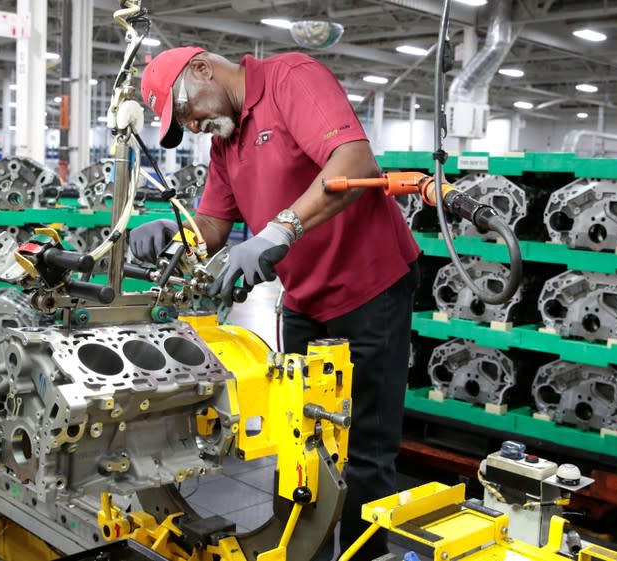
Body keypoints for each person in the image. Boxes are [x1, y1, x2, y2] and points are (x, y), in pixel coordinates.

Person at [130, 46, 421, 561]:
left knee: (364, 449)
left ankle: (365, 555)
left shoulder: (291, 78)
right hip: (305, 299)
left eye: (186, 112)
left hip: (369, 287)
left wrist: (278, 229)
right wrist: (175, 236)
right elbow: (214, 226)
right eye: (182, 125)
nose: (193, 127)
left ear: (201, 69)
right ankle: (298, 553)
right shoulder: (226, 144)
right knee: (301, 439)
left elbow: (353, 161)